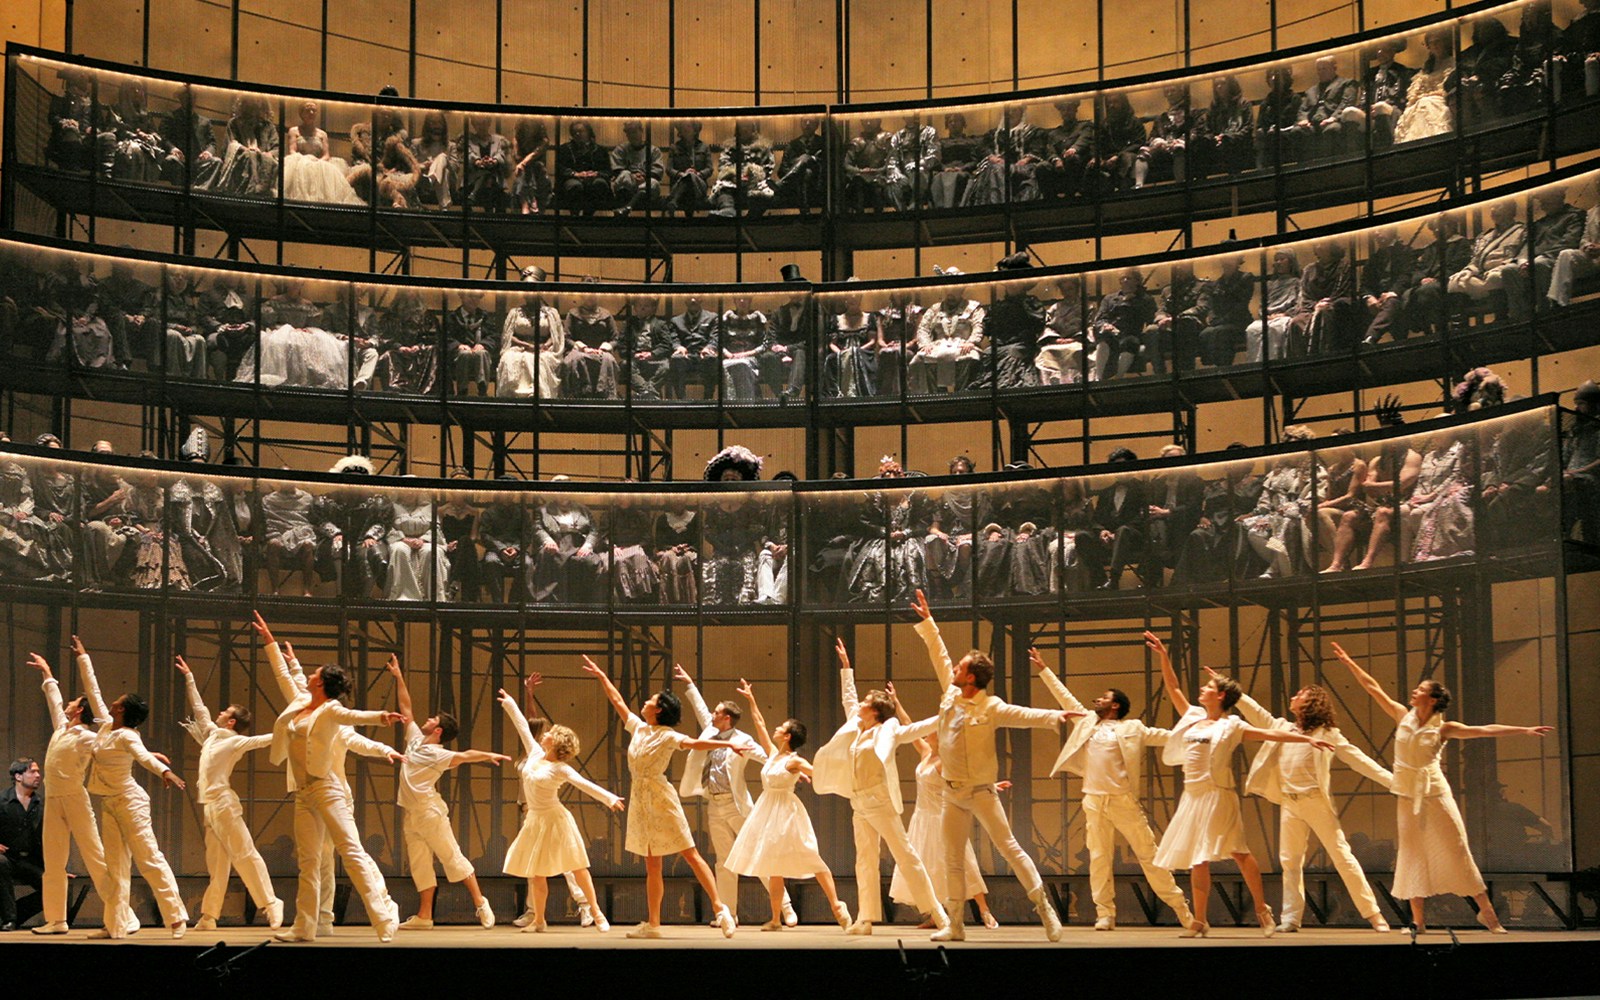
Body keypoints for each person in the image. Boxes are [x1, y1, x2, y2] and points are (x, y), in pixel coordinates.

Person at [1331, 641, 1553, 933]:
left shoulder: (1443, 728)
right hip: (1408, 796)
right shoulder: (1402, 716)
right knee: (1411, 852)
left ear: (1433, 699)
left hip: (1435, 793)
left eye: (1421, 690)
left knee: (1456, 847)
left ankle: (1487, 914)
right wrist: (1349, 662)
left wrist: (1523, 730)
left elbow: (1483, 731)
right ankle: (1418, 921)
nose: (1415, 692)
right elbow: (1373, 689)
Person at [909, 592, 1074, 941]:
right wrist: (928, 622)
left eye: (961, 668)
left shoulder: (991, 706)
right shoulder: (951, 696)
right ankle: (955, 925)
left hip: (982, 793)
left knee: (1010, 848)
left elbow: (1024, 715)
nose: (954, 669)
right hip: (951, 795)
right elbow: (940, 657)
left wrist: (1056, 715)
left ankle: (1045, 910)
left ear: (971, 679)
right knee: (952, 857)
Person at [1146, 632, 1334, 937]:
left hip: (1218, 796)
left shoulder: (1231, 726)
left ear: (1220, 696)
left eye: (1209, 687)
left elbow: (1272, 734)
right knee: (1198, 857)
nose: (1203, 689)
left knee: (1239, 853)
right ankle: (1199, 920)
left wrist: (1306, 738)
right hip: (1193, 797)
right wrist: (1164, 657)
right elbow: (1173, 687)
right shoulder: (1193, 716)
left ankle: (1261, 908)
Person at [1031, 650, 1200, 933]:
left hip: (1123, 801)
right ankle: (1105, 913)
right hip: (1094, 800)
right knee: (1099, 857)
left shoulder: (1132, 728)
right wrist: (1044, 670)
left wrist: (1199, 735)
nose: (1097, 700)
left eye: (1104, 697)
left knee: (1149, 855)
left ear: (1116, 705)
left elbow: (1165, 736)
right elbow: (1065, 698)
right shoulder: (1086, 722)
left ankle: (1182, 909)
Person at [257, 615, 403, 938]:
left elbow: (353, 718)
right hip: (304, 793)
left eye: (314, 673)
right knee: (308, 862)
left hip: (329, 790)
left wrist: (381, 718)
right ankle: (305, 926)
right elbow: (285, 676)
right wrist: (269, 641)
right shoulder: (301, 702)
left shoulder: (330, 711)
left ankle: (383, 919)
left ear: (322, 683)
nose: (309, 674)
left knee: (350, 852)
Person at [579, 655, 738, 938]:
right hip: (640, 799)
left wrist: (726, 744)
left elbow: (693, 742)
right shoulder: (639, 728)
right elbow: (617, 702)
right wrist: (602, 677)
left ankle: (720, 909)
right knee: (652, 863)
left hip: (661, 797)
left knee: (690, 853)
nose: (645, 702)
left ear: (660, 709)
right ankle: (653, 924)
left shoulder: (667, 735)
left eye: (651, 700)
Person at [1225, 668, 1394, 933]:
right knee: (1290, 861)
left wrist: (1394, 782)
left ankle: (1374, 915)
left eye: (1300, 694)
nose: (1293, 696)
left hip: (1315, 802)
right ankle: (1291, 918)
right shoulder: (1283, 728)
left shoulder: (1328, 734)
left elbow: (1360, 761)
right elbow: (1256, 712)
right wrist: (1235, 693)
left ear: (1312, 702)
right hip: (1291, 803)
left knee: (1342, 857)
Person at [812, 639, 949, 935]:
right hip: (859, 802)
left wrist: (947, 714)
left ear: (875, 711)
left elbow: (916, 728)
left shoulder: (887, 730)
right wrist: (846, 668)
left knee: (906, 854)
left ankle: (937, 911)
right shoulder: (856, 727)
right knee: (864, 859)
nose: (859, 704)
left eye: (865, 703)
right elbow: (849, 700)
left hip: (880, 801)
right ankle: (866, 917)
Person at [79, 636, 190, 938]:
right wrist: (84, 657)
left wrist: (164, 771)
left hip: (130, 801)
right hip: (110, 803)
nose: (114, 700)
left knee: (149, 858)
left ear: (123, 710)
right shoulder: (105, 726)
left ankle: (177, 917)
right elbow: (94, 692)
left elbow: (141, 756)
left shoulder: (128, 735)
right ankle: (115, 925)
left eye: (120, 699)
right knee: (115, 866)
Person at [385, 655, 506, 929]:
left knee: (451, 856)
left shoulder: (438, 754)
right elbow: (406, 708)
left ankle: (480, 902)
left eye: (433, 718)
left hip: (430, 813)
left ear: (438, 729)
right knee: (419, 864)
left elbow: (464, 755)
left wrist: (487, 755)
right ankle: (425, 916)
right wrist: (398, 676)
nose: (427, 719)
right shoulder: (415, 739)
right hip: (412, 814)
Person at [722, 679, 853, 931]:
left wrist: (845, 778)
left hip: (787, 812)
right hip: (767, 811)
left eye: (781, 728)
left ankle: (837, 905)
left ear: (788, 736)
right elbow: (759, 723)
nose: (775, 728)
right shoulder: (773, 755)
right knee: (773, 866)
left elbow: (819, 773)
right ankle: (774, 919)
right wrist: (751, 699)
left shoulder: (794, 761)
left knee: (811, 857)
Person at [672, 664, 795, 926]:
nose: (713, 715)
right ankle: (729, 914)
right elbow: (701, 710)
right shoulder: (711, 732)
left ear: (727, 718)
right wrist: (690, 684)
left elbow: (767, 758)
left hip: (737, 806)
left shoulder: (743, 739)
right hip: (714, 805)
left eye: (717, 713)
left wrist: (788, 764)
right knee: (724, 861)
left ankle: (785, 907)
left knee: (757, 853)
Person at [496, 686, 620, 933]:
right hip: (535, 819)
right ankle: (539, 920)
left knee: (577, 866)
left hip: (556, 819)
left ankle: (596, 912)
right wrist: (510, 703)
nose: (545, 734)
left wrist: (609, 798)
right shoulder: (534, 754)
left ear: (556, 742)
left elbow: (585, 784)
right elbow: (522, 727)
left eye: (550, 734)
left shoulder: (560, 769)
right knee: (537, 871)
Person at [173, 655, 283, 931]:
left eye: (225, 711)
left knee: (245, 853)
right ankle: (209, 916)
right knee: (217, 865)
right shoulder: (211, 734)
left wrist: (291, 732)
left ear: (232, 722)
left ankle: (271, 903)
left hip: (224, 804)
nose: (219, 712)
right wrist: (190, 677)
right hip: (210, 807)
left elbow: (264, 740)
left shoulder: (235, 741)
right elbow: (199, 709)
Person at [22, 651, 124, 936]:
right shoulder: (62, 729)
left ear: (79, 709)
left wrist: (145, 753)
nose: (67, 703)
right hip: (54, 801)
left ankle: (121, 913)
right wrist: (46, 672)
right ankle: (57, 919)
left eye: (73, 702)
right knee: (53, 862)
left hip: (75, 799)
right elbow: (54, 700)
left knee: (95, 856)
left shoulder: (88, 737)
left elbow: (115, 743)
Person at [884, 683, 999, 930]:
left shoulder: (946, 761)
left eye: (931, 732)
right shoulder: (926, 753)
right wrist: (896, 702)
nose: (926, 735)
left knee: (963, 862)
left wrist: (992, 786)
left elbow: (968, 777)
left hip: (941, 817)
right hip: (922, 819)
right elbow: (909, 726)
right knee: (927, 865)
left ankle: (984, 909)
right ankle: (936, 915)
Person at [0, 758, 44, 931]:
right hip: (8, 858)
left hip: (31, 860)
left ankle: (15, 915)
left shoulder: (41, 803)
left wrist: (57, 868)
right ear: (18, 776)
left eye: (38, 771)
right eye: (32, 771)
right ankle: (9, 919)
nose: (38, 775)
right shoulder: (2, 800)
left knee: (54, 888)